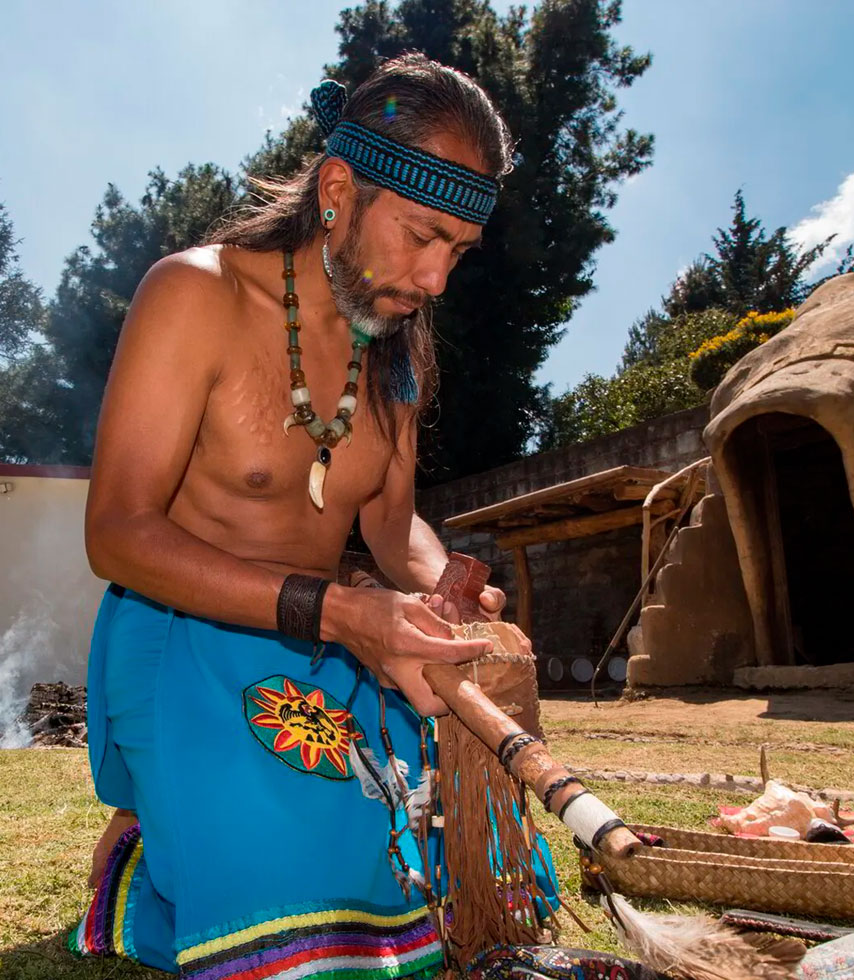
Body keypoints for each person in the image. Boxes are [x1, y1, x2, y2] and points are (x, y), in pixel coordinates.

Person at [73, 54, 547, 979]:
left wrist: (444, 592)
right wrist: (341, 612)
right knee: (298, 888)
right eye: (422, 236)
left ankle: (182, 829)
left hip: (336, 646)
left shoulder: (398, 355)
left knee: (466, 857)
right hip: (184, 638)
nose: (436, 278)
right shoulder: (195, 295)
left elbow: (391, 527)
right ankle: (146, 850)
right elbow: (117, 532)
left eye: (457, 251)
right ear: (337, 192)